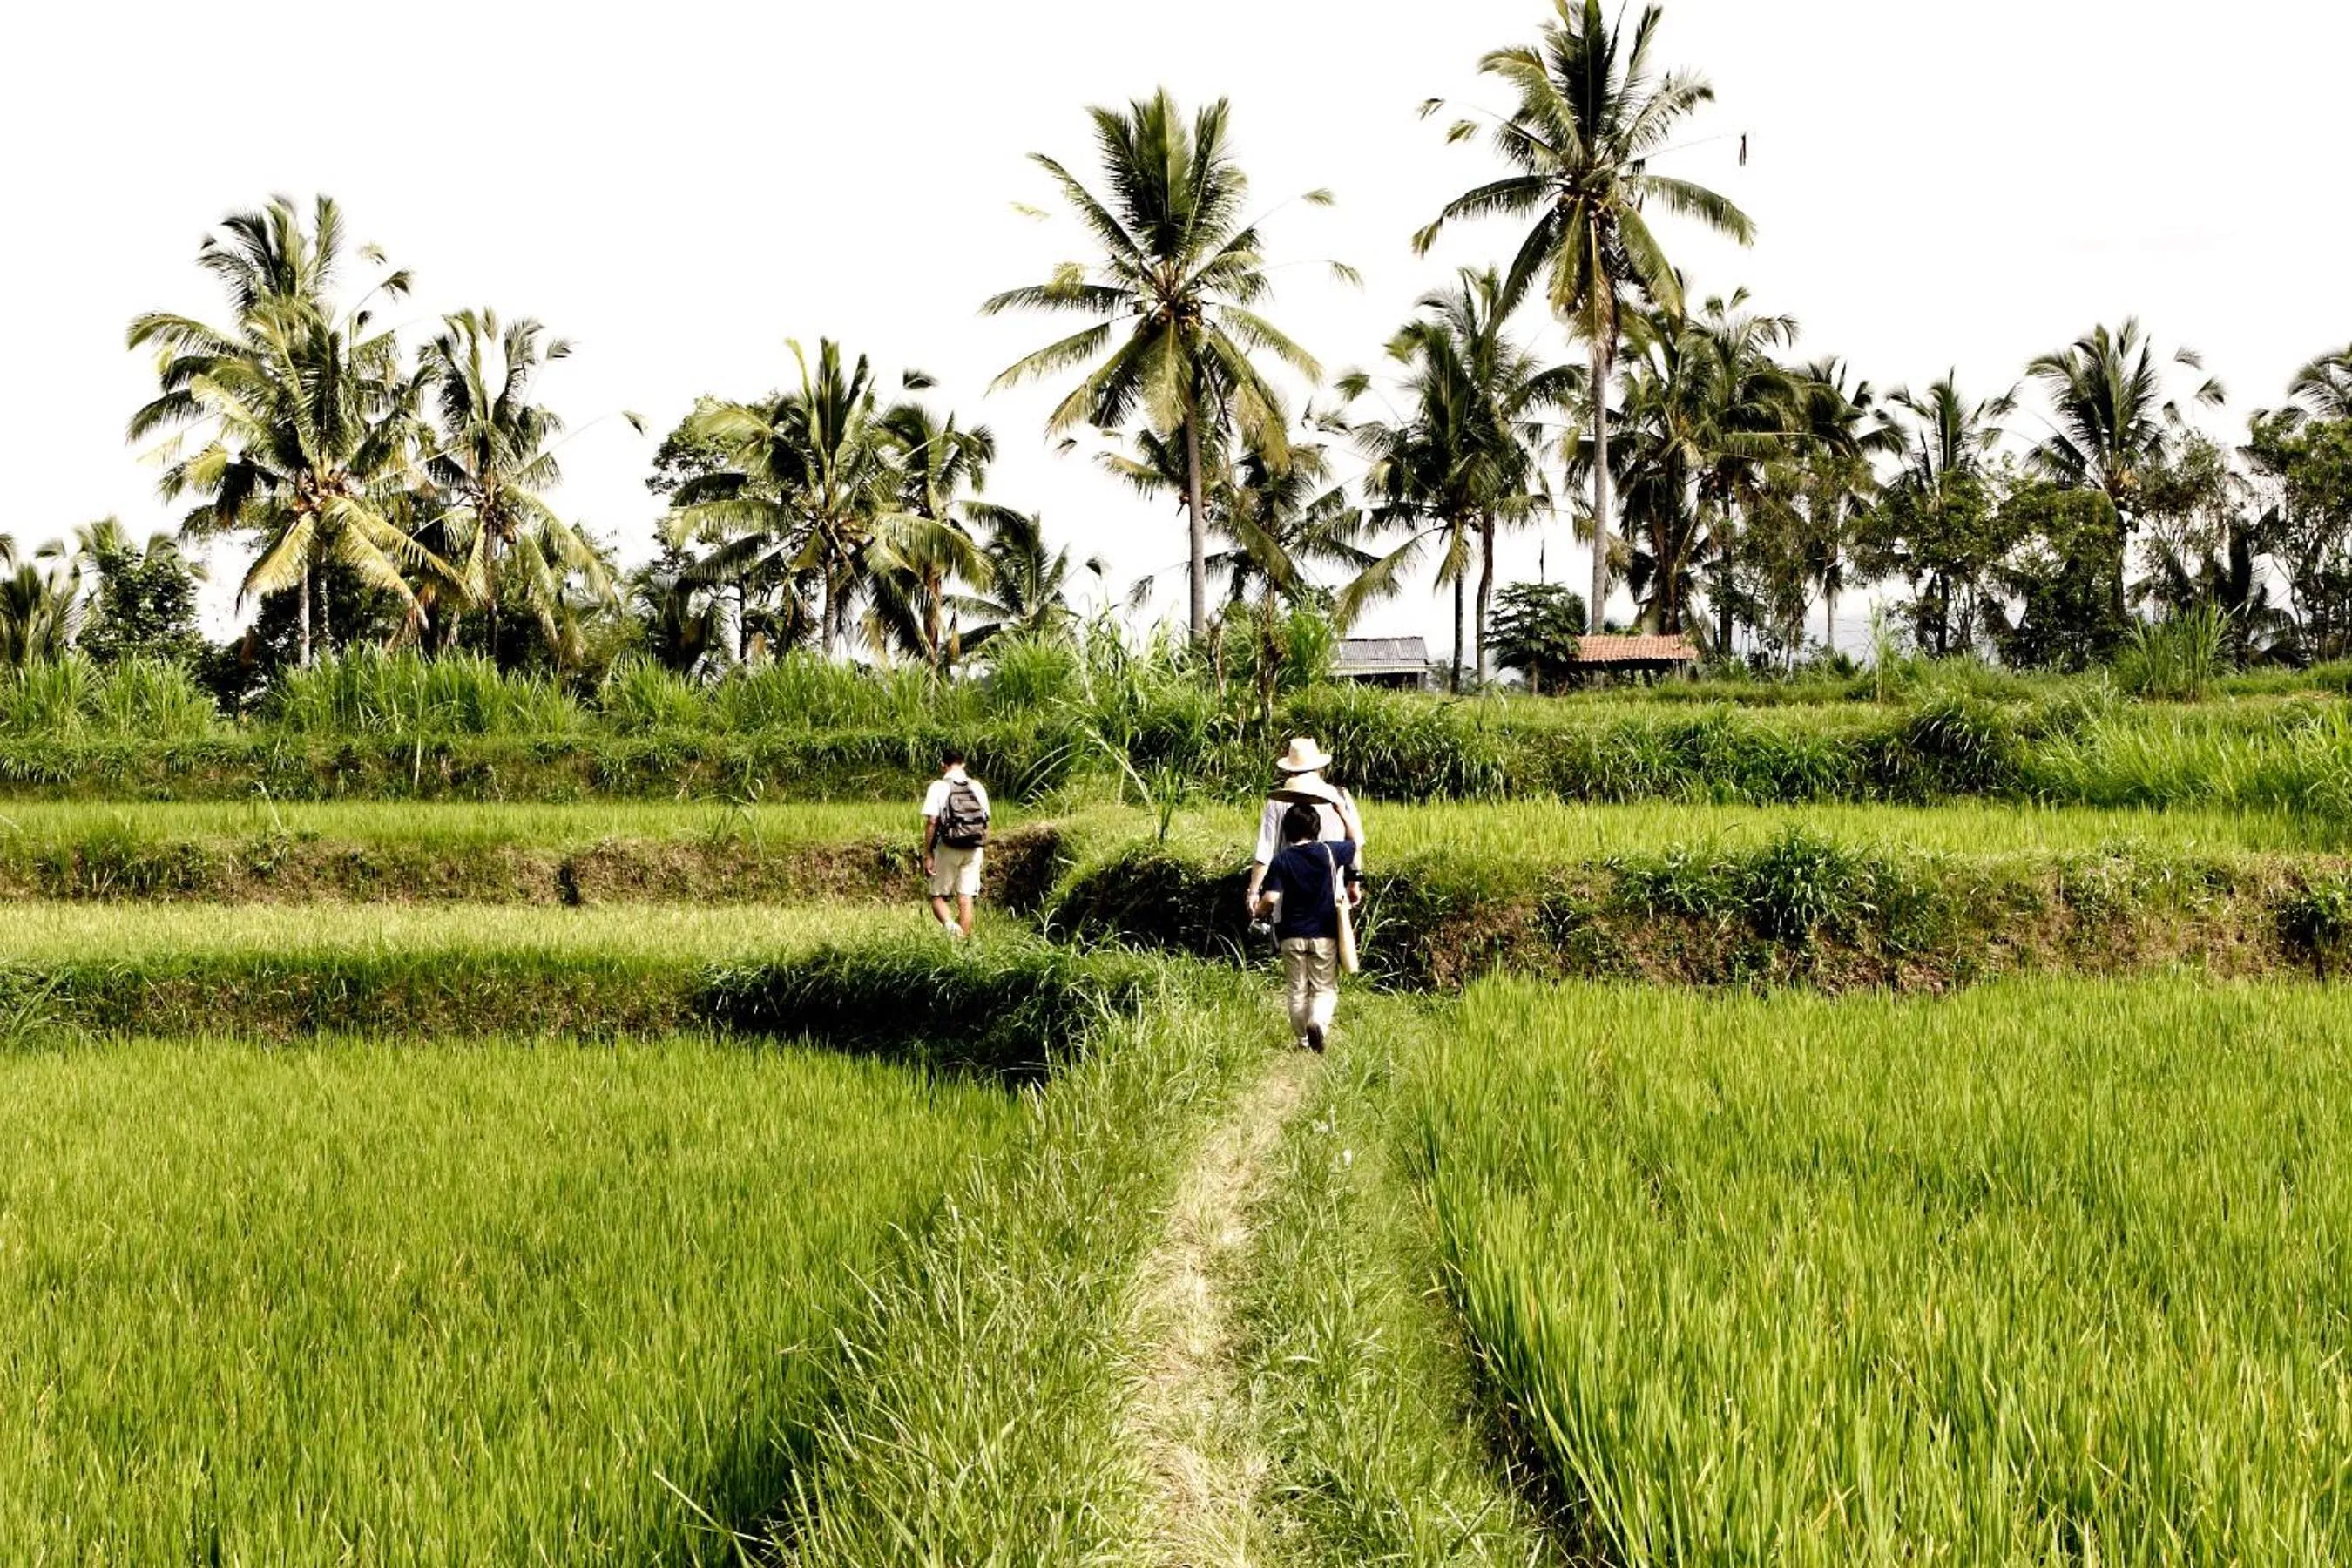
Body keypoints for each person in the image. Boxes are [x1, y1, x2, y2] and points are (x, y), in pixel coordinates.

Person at [1254, 801, 1362, 1052]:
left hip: (1291, 935)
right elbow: (1356, 842)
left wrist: (1257, 911)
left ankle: (1303, 1041)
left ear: (1287, 830)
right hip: (1324, 934)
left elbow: (1271, 898)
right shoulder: (1329, 851)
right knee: (1324, 989)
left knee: (1297, 990)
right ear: (1317, 828)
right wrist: (1342, 812)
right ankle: (1317, 1023)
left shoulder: (1281, 859)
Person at [1244, 735, 1363, 920]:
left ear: (1290, 770)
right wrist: (1354, 883)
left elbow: (1265, 853)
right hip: (1332, 900)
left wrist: (1253, 891)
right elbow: (1355, 844)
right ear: (1320, 768)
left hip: (1289, 906)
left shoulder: (1278, 800)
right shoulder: (1340, 797)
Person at [920, 745, 991, 938]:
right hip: (974, 847)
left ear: (943, 765)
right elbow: (986, 821)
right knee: (966, 897)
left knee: (938, 896)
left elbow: (932, 821)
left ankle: (953, 930)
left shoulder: (938, 786)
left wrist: (928, 854)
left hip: (948, 846)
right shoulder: (977, 787)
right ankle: (963, 944)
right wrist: (980, 849)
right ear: (964, 764)